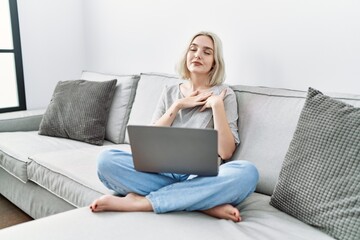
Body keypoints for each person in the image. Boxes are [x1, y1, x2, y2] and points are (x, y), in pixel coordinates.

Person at [90, 31, 259, 222]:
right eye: (193, 49)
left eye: (207, 52)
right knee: (106, 160)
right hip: (161, 170)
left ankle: (143, 202)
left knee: (247, 173)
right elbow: (150, 143)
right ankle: (202, 202)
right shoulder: (169, 91)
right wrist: (177, 105)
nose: (197, 55)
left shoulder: (225, 95)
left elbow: (226, 152)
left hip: (202, 176)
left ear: (215, 61)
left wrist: (216, 106)